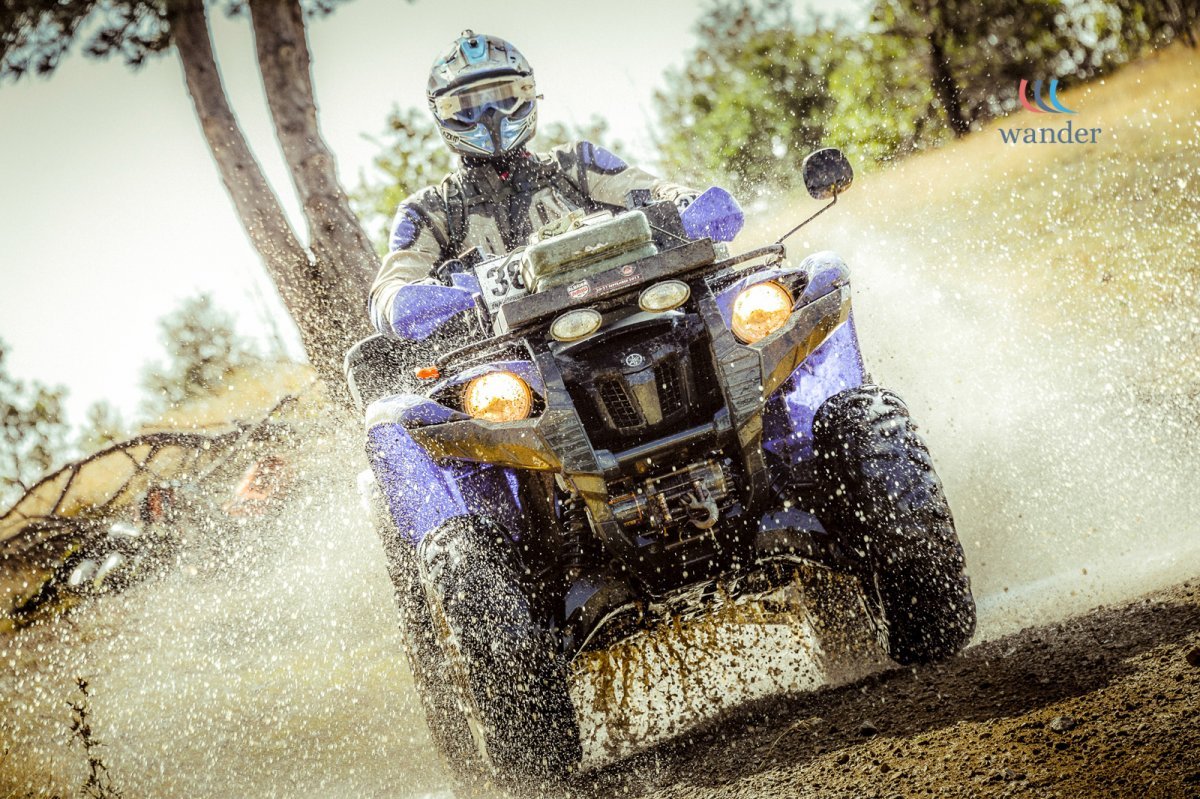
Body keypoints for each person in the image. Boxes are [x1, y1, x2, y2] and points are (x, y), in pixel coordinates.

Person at [369, 30, 701, 337]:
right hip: (510, 354)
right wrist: (402, 300)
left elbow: (655, 189)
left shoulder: (578, 163)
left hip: (630, 310)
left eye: (503, 96)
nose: (490, 115)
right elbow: (389, 287)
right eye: (469, 105)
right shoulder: (428, 210)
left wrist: (687, 200)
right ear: (443, 112)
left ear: (528, 93)